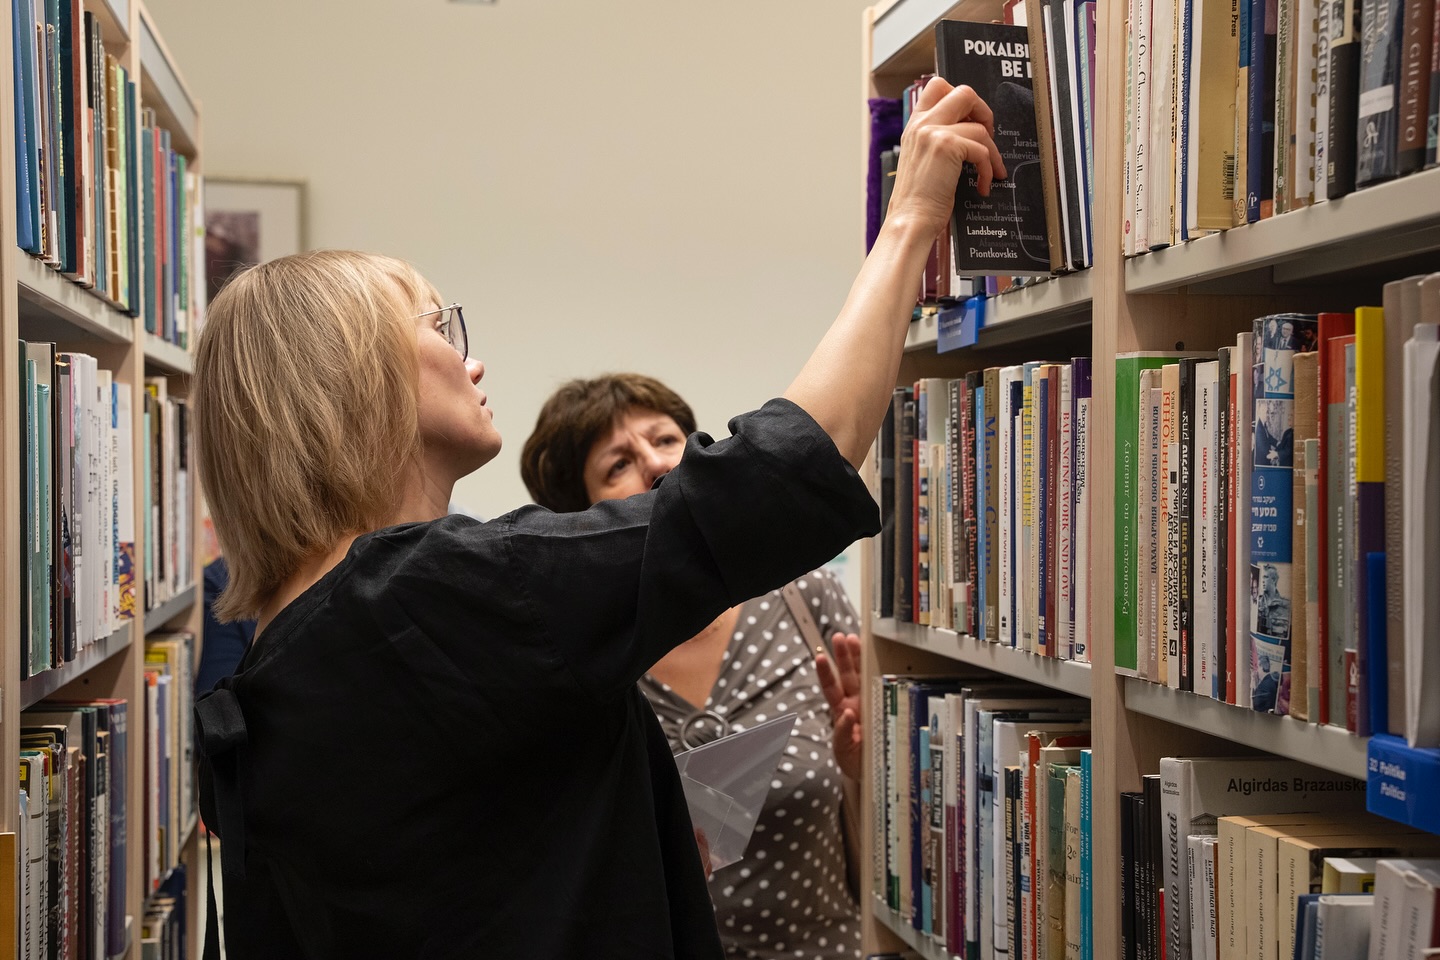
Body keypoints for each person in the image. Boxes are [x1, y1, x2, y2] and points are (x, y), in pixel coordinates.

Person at [192, 76, 1003, 960]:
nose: (472, 357)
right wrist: (910, 221)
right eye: (438, 325)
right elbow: (779, 475)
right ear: (355, 378)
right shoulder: (436, 598)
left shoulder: (284, 657)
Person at [522, 374, 866, 959]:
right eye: (617, 465)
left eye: (666, 439)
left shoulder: (803, 596)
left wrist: (864, 763)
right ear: (583, 521)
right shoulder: (577, 658)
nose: (656, 465)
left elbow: (893, 816)